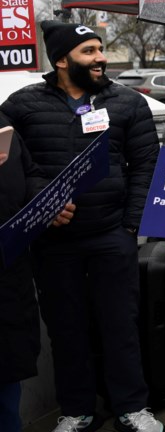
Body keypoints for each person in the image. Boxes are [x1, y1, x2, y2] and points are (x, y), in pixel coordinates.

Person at [0, 21, 164, 432]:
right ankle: (76, 411)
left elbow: (147, 164)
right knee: (66, 328)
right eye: (88, 51)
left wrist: (130, 225)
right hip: (52, 243)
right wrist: (42, 205)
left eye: (100, 49)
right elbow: (18, 167)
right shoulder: (21, 106)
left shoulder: (127, 102)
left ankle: (132, 407)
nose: (100, 57)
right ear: (60, 60)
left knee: (120, 325)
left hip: (112, 235)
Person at [0, 114, 74, 432]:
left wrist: (47, 203)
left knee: (5, 384)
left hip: (7, 277)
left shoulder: (3, 125)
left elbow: (29, 174)